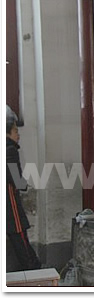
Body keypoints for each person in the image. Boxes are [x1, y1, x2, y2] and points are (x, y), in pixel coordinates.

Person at [6, 105, 42, 271]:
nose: (18, 135)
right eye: (15, 131)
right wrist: (24, 184)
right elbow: (17, 180)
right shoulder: (10, 150)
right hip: (9, 202)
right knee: (20, 236)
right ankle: (33, 269)